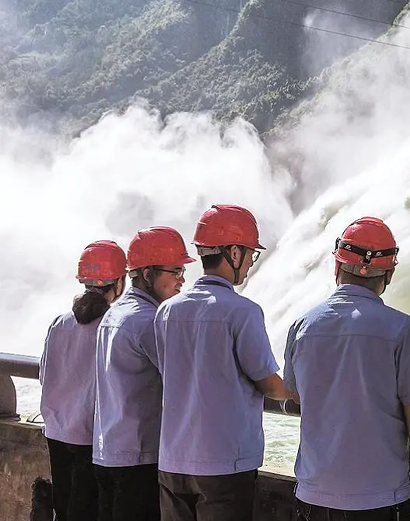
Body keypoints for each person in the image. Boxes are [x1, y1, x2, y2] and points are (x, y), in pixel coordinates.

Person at [283, 216, 410, 521]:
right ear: (390, 274)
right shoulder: (402, 329)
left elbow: (295, 394)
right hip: (380, 498)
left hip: (314, 495)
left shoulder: (302, 326)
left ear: (336, 267)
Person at [153, 205, 291, 521]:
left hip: (173, 460)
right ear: (233, 252)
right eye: (250, 254)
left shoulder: (167, 312)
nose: (250, 264)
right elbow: (269, 383)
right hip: (223, 465)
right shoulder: (242, 311)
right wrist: (297, 392)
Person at [93, 226, 196, 521]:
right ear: (148, 273)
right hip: (139, 457)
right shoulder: (148, 321)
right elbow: (183, 380)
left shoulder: (116, 312)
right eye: (174, 271)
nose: (181, 280)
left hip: (109, 451)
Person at [40, 240, 127, 521]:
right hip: (90, 438)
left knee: (63, 509)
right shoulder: (112, 326)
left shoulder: (60, 322)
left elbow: (44, 373)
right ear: (119, 281)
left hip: (56, 432)